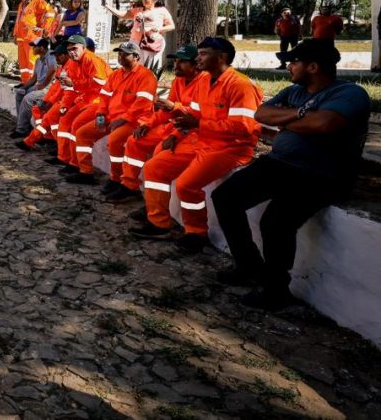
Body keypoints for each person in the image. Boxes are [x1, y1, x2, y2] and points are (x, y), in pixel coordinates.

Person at [213, 39, 369, 310]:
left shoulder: (349, 93)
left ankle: (276, 290)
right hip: (279, 164)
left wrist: (287, 121)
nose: (288, 66)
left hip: (320, 174)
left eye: (293, 62)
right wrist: (299, 115)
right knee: (225, 197)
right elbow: (261, 113)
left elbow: (324, 123)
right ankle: (249, 267)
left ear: (313, 66)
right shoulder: (294, 92)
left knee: (275, 222)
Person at [130, 37, 262, 254]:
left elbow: (244, 128)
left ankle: (196, 232)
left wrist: (199, 123)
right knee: (154, 167)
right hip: (200, 140)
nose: (198, 58)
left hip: (231, 148)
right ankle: (159, 223)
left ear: (221, 57)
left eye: (203, 54)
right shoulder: (204, 81)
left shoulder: (241, 85)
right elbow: (194, 113)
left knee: (186, 185)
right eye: (198, 54)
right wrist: (179, 131)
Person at [117, 44, 205, 207]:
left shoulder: (204, 83)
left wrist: (174, 109)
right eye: (176, 60)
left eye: (182, 62)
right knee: (135, 141)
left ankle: (155, 207)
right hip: (173, 126)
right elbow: (167, 110)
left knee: (159, 155)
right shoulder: (179, 81)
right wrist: (148, 124)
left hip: (190, 132)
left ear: (196, 65)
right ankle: (129, 186)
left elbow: (198, 117)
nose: (176, 65)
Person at [67, 41, 157, 187]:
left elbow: (142, 104)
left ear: (136, 57)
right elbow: (104, 97)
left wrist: (123, 119)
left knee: (114, 141)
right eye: (119, 53)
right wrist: (100, 114)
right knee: (83, 133)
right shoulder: (116, 75)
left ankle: (116, 180)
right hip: (112, 118)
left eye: (125, 54)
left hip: (134, 121)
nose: (120, 57)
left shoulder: (146, 76)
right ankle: (85, 172)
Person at [47, 34, 111, 171]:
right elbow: (70, 88)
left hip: (99, 101)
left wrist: (74, 83)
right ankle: (66, 158)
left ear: (83, 47)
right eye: (69, 49)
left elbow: (101, 84)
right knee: (65, 120)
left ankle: (81, 167)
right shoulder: (73, 63)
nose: (71, 52)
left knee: (76, 124)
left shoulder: (91, 59)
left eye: (74, 48)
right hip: (85, 99)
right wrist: (65, 105)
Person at [105, 0, 175, 72]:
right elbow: (122, 15)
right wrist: (107, 6)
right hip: (134, 42)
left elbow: (171, 26)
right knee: (135, 67)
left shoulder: (162, 10)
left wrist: (159, 29)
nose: (144, 0)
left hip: (151, 43)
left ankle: (150, 83)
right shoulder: (138, 10)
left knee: (150, 68)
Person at [10, 38, 57, 138]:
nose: (33, 49)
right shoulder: (38, 60)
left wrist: (44, 84)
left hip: (49, 88)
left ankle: (21, 130)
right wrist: (24, 86)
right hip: (38, 86)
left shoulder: (51, 55)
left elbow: (53, 69)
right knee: (20, 93)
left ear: (42, 48)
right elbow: (34, 78)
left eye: (35, 47)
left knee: (28, 99)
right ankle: (21, 125)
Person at [12, 0, 57, 83]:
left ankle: (33, 82)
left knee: (32, 62)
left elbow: (51, 13)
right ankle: (25, 82)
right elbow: (18, 20)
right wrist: (15, 34)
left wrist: (43, 28)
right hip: (21, 38)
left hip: (32, 38)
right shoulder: (21, 4)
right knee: (23, 63)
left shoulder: (38, 1)